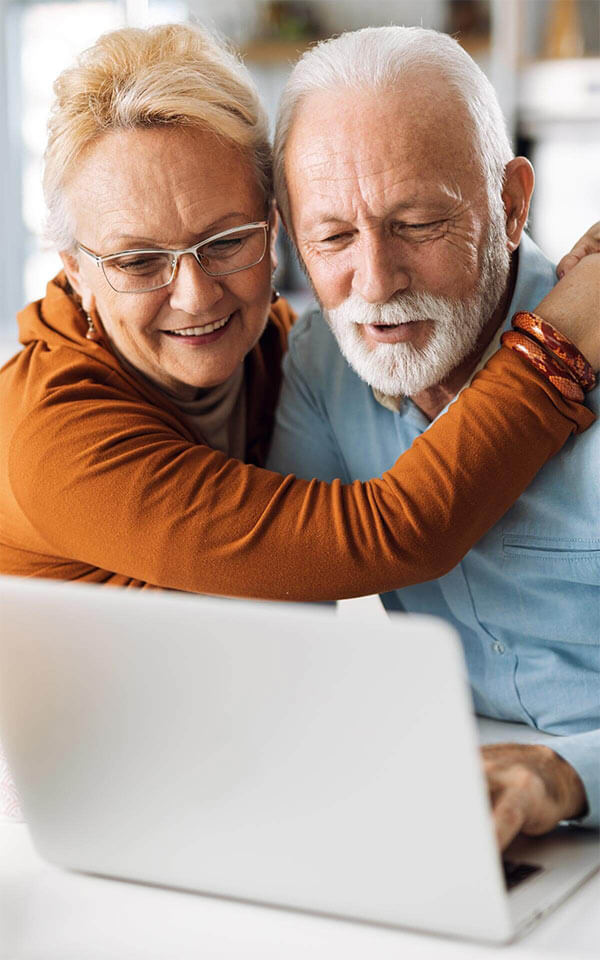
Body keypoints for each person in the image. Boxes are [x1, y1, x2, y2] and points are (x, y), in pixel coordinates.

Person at [0, 24, 596, 846]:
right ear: (72, 268)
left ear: (271, 229)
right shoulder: (56, 429)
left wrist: (564, 774)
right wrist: (555, 348)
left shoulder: (298, 352)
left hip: (353, 789)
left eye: (227, 242)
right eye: (138, 263)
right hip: (113, 797)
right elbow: (370, 550)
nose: (195, 296)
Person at [266, 25, 600, 850]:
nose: (374, 284)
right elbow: (282, 625)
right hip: (459, 806)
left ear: (512, 204)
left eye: (417, 224)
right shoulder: (321, 361)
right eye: (333, 237)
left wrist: (567, 774)